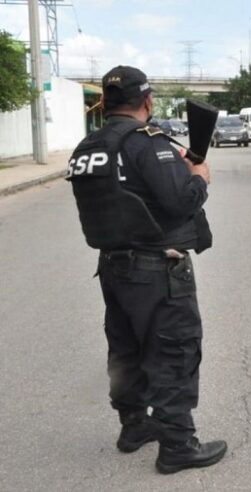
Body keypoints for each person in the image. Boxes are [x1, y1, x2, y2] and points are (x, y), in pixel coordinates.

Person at [65, 65, 226, 474]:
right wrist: (199, 177)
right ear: (148, 101)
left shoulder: (88, 146)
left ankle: (133, 425)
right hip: (158, 267)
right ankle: (177, 445)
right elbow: (180, 202)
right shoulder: (147, 143)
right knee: (174, 350)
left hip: (112, 268)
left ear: (106, 101)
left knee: (127, 348)